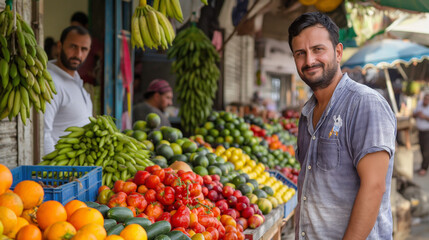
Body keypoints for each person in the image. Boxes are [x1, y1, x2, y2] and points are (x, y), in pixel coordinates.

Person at [289, 12, 396, 239]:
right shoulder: (308, 113)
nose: (309, 61)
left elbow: (374, 187)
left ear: (338, 52)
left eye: (318, 49)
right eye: (300, 53)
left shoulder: (364, 104)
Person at [44, 26, 93, 155]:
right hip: (60, 170)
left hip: (77, 171)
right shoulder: (50, 81)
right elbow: (43, 134)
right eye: (73, 46)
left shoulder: (76, 79)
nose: (78, 54)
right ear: (59, 46)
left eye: (84, 49)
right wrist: (54, 172)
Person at [413, 92, 429, 176]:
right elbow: (413, 115)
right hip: (420, 131)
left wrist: (425, 117)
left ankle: (424, 168)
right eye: (425, 99)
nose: (426, 100)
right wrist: (417, 114)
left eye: (427, 99)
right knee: (422, 150)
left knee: (426, 151)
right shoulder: (419, 104)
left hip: (427, 132)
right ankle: (423, 166)